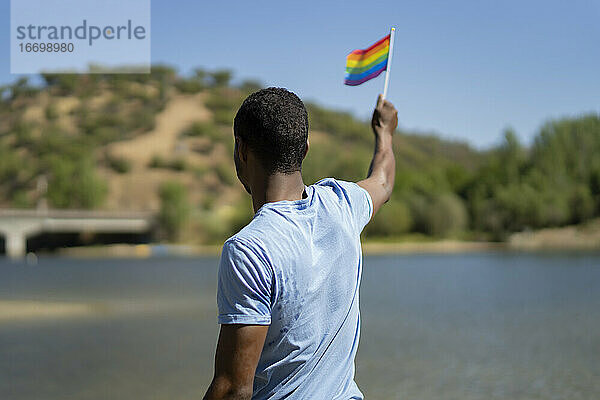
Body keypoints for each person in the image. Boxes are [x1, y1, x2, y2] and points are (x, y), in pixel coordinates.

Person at [203, 88, 397, 400]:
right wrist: (384, 132)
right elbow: (383, 182)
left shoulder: (249, 250)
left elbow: (232, 390)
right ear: (304, 149)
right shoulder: (342, 205)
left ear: (241, 151)